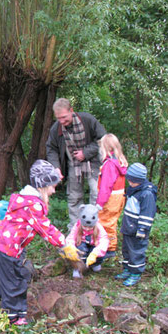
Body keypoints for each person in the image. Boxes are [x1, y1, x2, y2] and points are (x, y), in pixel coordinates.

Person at [0, 160, 80, 325]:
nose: (53, 190)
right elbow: (45, 228)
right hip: (8, 248)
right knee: (15, 281)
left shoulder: (23, 198)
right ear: (42, 185)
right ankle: (15, 319)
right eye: (52, 186)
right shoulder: (33, 205)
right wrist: (64, 245)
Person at [46, 98, 106, 228]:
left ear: (71, 111)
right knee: (74, 197)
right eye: (58, 118)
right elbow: (51, 148)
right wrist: (56, 168)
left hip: (94, 163)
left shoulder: (88, 120)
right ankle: (75, 229)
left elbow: (103, 139)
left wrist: (85, 153)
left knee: (96, 194)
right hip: (73, 165)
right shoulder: (56, 128)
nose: (62, 121)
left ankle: (96, 228)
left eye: (64, 117)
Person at [116, 163, 157, 286]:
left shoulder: (147, 194)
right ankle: (127, 269)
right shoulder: (133, 189)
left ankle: (136, 273)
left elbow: (147, 215)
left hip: (138, 230)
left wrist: (142, 229)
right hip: (129, 227)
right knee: (126, 250)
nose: (129, 182)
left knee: (136, 251)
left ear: (139, 180)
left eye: (132, 180)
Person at [96, 134, 128, 256]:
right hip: (119, 197)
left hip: (110, 198)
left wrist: (100, 203)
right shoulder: (119, 161)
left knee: (105, 221)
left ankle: (108, 249)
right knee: (111, 221)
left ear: (107, 148)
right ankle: (109, 246)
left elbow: (106, 186)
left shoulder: (109, 164)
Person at [66, 204, 109, 278]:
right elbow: (71, 238)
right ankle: (78, 268)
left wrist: (95, 253)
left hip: (94, 245)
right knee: (81, 250)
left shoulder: (99, 227)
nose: (87, 229)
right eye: (85, 226)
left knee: (100, 254)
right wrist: (71, 247)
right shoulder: (77, 225)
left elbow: (104, 241)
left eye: (90, 227)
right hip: (82, 244)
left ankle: (95, 264)